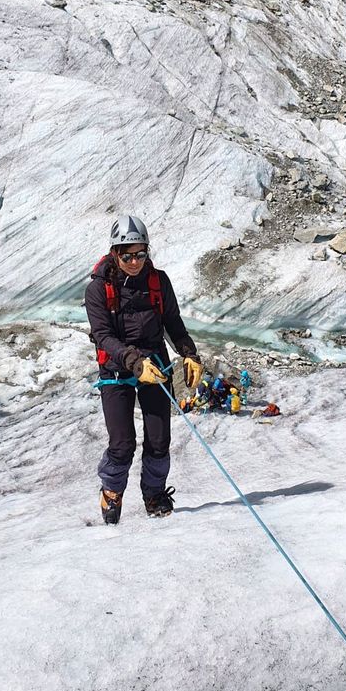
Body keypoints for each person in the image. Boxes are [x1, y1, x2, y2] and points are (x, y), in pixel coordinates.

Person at [85, 214, 203, 524]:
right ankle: (112, 490)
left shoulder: (158, 281)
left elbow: (173, 324)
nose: (135, 261)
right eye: (127, 255)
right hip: (116, 370)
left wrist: (190, 354)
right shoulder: (98, 290)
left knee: (159, 439)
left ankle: (154, 493)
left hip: (154, 365)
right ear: (115, 254)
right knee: (122, 443)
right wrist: (134, 363)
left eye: (141, 254)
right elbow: (103, 336)